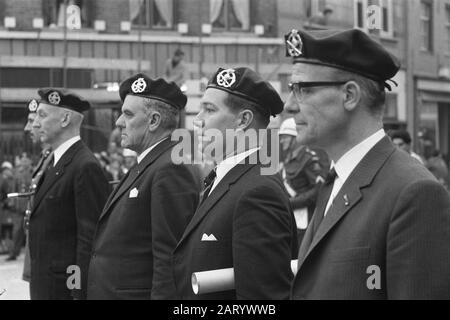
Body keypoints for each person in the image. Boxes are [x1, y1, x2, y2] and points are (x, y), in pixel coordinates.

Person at [284, 29, 450, 299]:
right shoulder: (335, 180)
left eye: (302, 89)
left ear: (349, 95)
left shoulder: (415, 194)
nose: (289, 105)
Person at [173, 67, 298, 300]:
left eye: (209, 110)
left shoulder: (257, 192)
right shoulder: (232, 179)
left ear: (243, 120)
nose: (197, 121)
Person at [87, 74, 201, 300]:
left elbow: (170, 262)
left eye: (128, 114)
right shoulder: (149, 164)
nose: (119, 122)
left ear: (154, 121)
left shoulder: (169, 169)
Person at [29, 88, 110, 300]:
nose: (36, 123)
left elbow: (89, 241)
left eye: (42, 115)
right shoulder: (57, 162)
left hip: (62, 291)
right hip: (45, 286)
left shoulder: (84, 166)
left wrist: (78, 292)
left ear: (65, 119)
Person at [21, 99, 53, 282]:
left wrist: (77, 284)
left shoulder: (58, 161)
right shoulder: (45, 158)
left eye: (32, 121)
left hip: (52, 262)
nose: (28, 128)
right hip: (39, 253)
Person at [278, 118, 324, 246]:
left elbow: (318, 191)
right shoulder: (288, 158)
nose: (281, 141)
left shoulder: (309, 159)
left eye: (285, 137)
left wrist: (291, 203)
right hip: (290, 216)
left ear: (295, 137)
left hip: (305, 220)